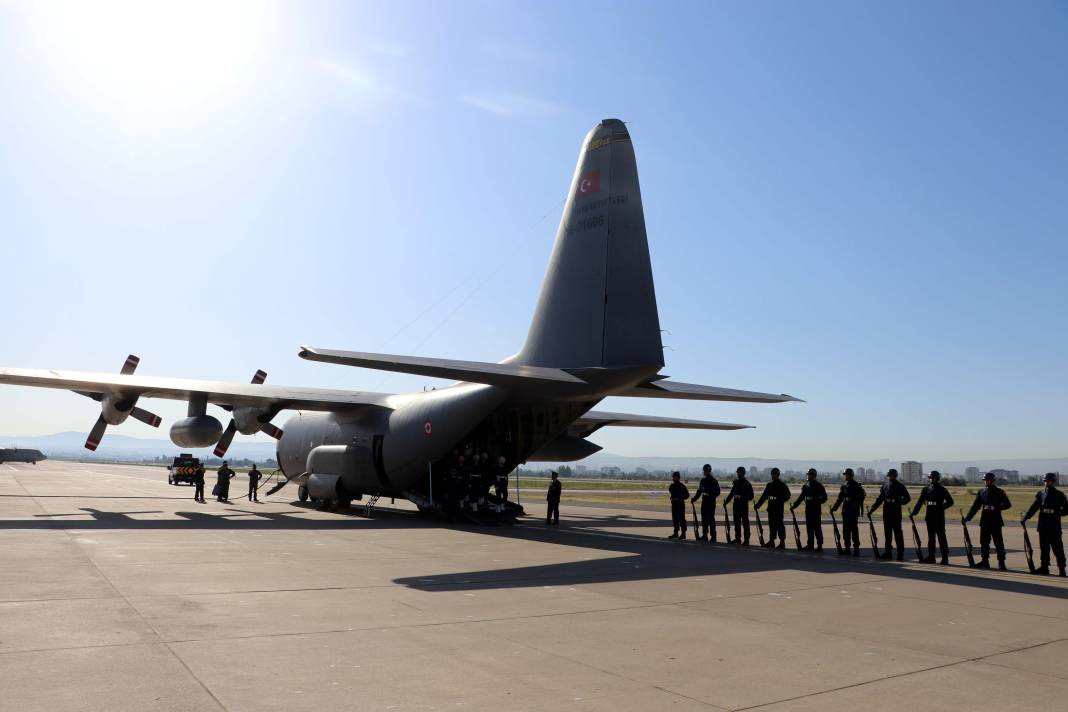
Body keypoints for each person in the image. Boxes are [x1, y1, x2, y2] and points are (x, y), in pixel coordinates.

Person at [964, 472, 1012, 570]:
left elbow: (1007, 504)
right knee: (984, 542)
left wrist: (997, 508)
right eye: (985, 480)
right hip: (985, 520)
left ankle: (1001, 562)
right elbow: (975, 507)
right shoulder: (981, 492)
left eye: (988, 480)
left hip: (996, 520)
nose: (986, 482)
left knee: (998, 542)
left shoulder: (1000, 491)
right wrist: (968, 518)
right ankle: (985, 561)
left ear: (993, 481)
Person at [1022, 473, 1067, 576]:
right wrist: (1026, 517)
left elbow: (1066, 509)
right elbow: (1034, 507)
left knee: (1057, 548)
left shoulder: (1059, 495)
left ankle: (1061, 568)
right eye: (1045, 481)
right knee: (1044, 548)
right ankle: (1044, 567)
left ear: (1053, 482)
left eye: (1049, 481)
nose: (1047, 483)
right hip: (1043, 525)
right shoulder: (1041, 494)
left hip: (1054, 525)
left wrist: (1057, 513)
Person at [910, 470, 953, 564]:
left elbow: (950, 501)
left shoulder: (942, 489)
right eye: (930, 478)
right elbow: (920, 502)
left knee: (942, 537)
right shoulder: (926, 489)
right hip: (929, 516)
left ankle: (945, 557)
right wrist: (914, 512)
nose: (931, 479)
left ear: (937, 478)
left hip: (939, 516)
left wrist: (941, 507)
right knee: (931, 538)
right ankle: (931, 556)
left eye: (932, 478)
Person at [868, 469, 911, 560]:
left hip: (896, 513)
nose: (890, 477)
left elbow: (908, 498)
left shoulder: (900, 486)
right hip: (887, 513)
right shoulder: (885, 486)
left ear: (895, 476)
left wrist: (899, 502)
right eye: (889, 475)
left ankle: (900, 554)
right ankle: (888, 553)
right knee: (887, 535)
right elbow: (879, 499)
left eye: (891, 475)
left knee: (898, 535)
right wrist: (871, 510)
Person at [830, 468, 865, 556]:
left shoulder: (856, 485)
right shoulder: (844, 485)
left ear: (851, 475)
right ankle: (847, 548)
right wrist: (834, 508)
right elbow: (840, 498)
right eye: (845, 474)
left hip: (853, 511)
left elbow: (861, 498)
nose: (846, 476)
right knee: (846, 531)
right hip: (846, 510)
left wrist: (855, 506)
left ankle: (856, 549)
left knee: (854, 530)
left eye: (847, 474)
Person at [792, 468, 827, 551]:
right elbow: (801, 497)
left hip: (816, 510)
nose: (807, 476)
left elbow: (825, 498)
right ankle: (810, 545)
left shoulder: (819, 486)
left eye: (809, 474)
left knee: (817, 528)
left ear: (813, 475)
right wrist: (794, 506)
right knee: (809, 528)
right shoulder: (806, 486)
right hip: (808, 509)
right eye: (807, 474)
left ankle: (819, 545)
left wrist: (817, 502)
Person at [755, 467, 791, 549]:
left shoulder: (782, 485)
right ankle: (772, 541)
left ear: (777, 475)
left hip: (778, 508)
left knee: (780, 525)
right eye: (772, 474)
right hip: (771, 508)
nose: (772, 475)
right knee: (772, 525)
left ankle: (782, 542)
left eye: (773, 474)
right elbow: (764, 496)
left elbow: (788, 496)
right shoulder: (769, 485)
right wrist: (758, 505)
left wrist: (780, 501)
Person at [724, 466, 754, 545]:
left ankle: (746, 540)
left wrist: (743, 498)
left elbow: (751, 496)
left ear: (742, 473)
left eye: (739, 472)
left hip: (743, 506)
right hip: (736, 506)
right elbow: (731, 494)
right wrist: (726, 502)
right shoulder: (736, 483)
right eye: (737, 472)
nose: (737, 474)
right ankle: (738, 538)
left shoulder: (747, 484)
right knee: (736, 523)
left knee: (745, 523)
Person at [690, 464, 720, 542]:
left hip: (711, 502)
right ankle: (705, 535)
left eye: (705, 470)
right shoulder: (703, 480)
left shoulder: (713, 481)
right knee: (704, 519)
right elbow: (699, 491)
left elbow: (718, 492)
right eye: (704, 470)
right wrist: (694, 499)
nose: (704, 472)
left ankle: (713, 536)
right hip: (704, 502)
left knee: (711, 520)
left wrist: (711, 496)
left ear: (709, 471)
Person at [668, 472, 690, 540]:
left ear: (678, 477)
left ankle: (683, 534)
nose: (673, 478)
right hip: (674, 504)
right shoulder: (672, 486)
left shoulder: (682, 486)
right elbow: (671, 493)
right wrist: (672, 498)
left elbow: (687, 495)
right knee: (675, 519)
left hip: (680, 505)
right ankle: (676, 533)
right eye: (673, 477)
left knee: (681, 519)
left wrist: (680, 498)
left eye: (674, 477)